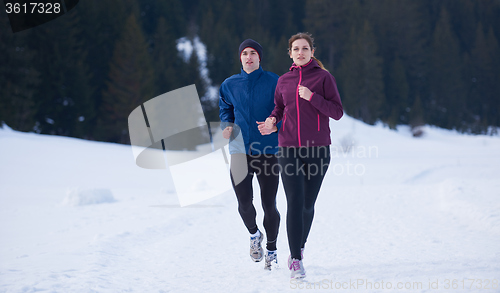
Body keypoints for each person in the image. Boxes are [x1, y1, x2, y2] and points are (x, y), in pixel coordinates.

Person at [259, 32, 343, 279]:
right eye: (296, 49)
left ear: (312, 52)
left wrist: (313, 97)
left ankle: (300, 243)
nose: (300, 52)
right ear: (290, 53)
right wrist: (273, 120)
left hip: (317, 150)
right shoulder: (284, 80)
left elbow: (337, 112)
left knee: (308, 204)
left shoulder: (324, 78)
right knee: (294, 202)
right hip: (287, 149)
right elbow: (279, 107)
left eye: (305, 48)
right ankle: (296, 259)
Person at [219, 39, 281, 270]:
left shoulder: (275, 82)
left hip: (268, 150)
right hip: (239, 150)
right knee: (244, 202)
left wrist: (275, 123)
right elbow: (225, 107)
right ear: (240, 57)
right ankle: (255, 235)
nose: (248, 57)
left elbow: (286, 110)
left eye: (253, 53)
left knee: (269, 204)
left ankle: (272, 249)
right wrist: (227, 123)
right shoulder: (229, 84)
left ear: (259, 57)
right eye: (244, 53)